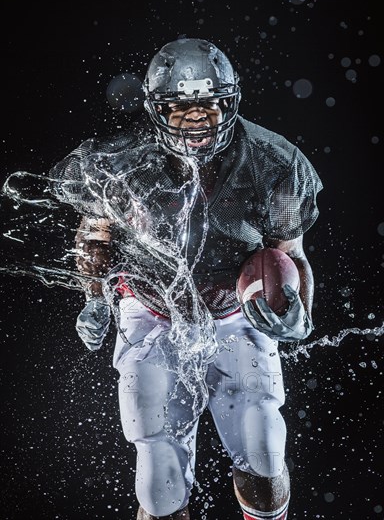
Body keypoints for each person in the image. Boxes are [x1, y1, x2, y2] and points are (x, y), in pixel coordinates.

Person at [49, 38, 323, 520]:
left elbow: (289, 252)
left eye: (209, 108)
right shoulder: (120, 161)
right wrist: (92, 296)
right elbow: (94, 235)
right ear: (158, 109)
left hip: (236, 312)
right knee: (159, 483)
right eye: (181, 109)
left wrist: (301, 309)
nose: (197, 122)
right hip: (153, 309)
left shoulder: (273, 160)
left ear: (230, 102)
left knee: (263, 451)